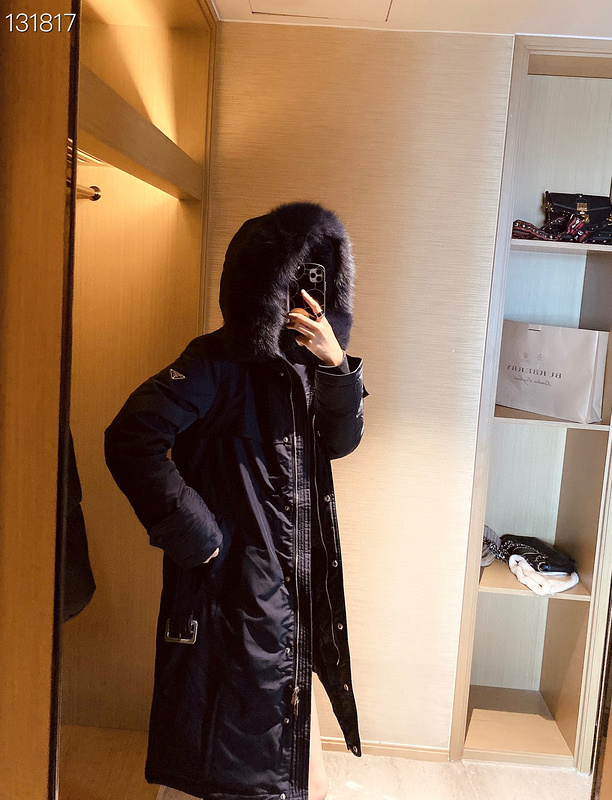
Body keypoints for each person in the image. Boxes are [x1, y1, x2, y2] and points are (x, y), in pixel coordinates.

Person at [104, 200, 369, 800]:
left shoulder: (310, 364)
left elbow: (341, 442)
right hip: (241, 583)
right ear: (259, 286)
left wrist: (337, 365)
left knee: (294, 758)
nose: (305, 297)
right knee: (247, 754)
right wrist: (200, 537)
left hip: (293, 582)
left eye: (318, 280)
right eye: (290, 281)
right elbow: (131, 438)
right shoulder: (214, 362)